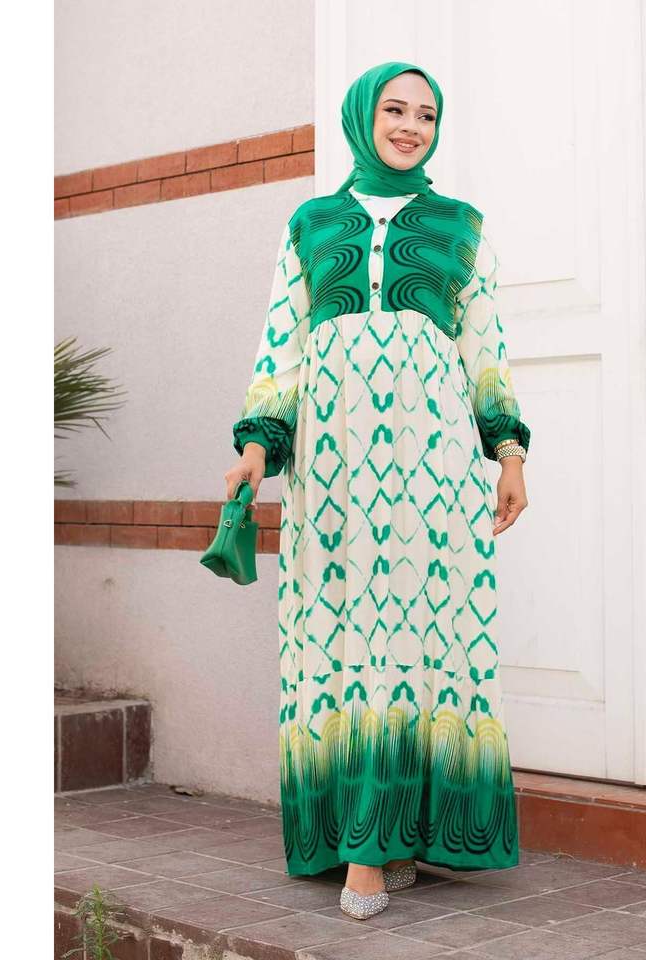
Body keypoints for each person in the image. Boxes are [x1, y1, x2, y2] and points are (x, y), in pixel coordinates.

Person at [225, 60, 531, 920]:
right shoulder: (313, 223)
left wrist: (508, 452)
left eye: (425, 114)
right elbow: (282, 344)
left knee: (419, 636)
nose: (409, 126)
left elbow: (485, 349)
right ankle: (371, 838)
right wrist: (255, 447)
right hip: (334, 461)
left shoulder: (460, 224)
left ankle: (382, 844)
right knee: (344, 636)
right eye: (394, 109)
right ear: (362, 117)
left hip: (432, 464)